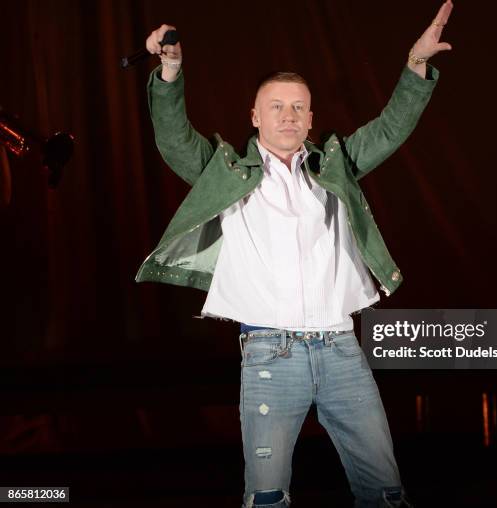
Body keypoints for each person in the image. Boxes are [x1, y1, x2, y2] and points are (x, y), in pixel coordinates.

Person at [138, 3, 453, 506]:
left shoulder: (335, 167)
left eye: (299, 107)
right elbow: (174, 140)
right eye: (277, 106)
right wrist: (170, 72)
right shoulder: (226, 172)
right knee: (266, 498)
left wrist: (415, 64)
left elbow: (391, 128)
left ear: (311, 118)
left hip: (341, 351)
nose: (288, 115)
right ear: (255, 116)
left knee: (387, 493)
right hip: (270, 355)